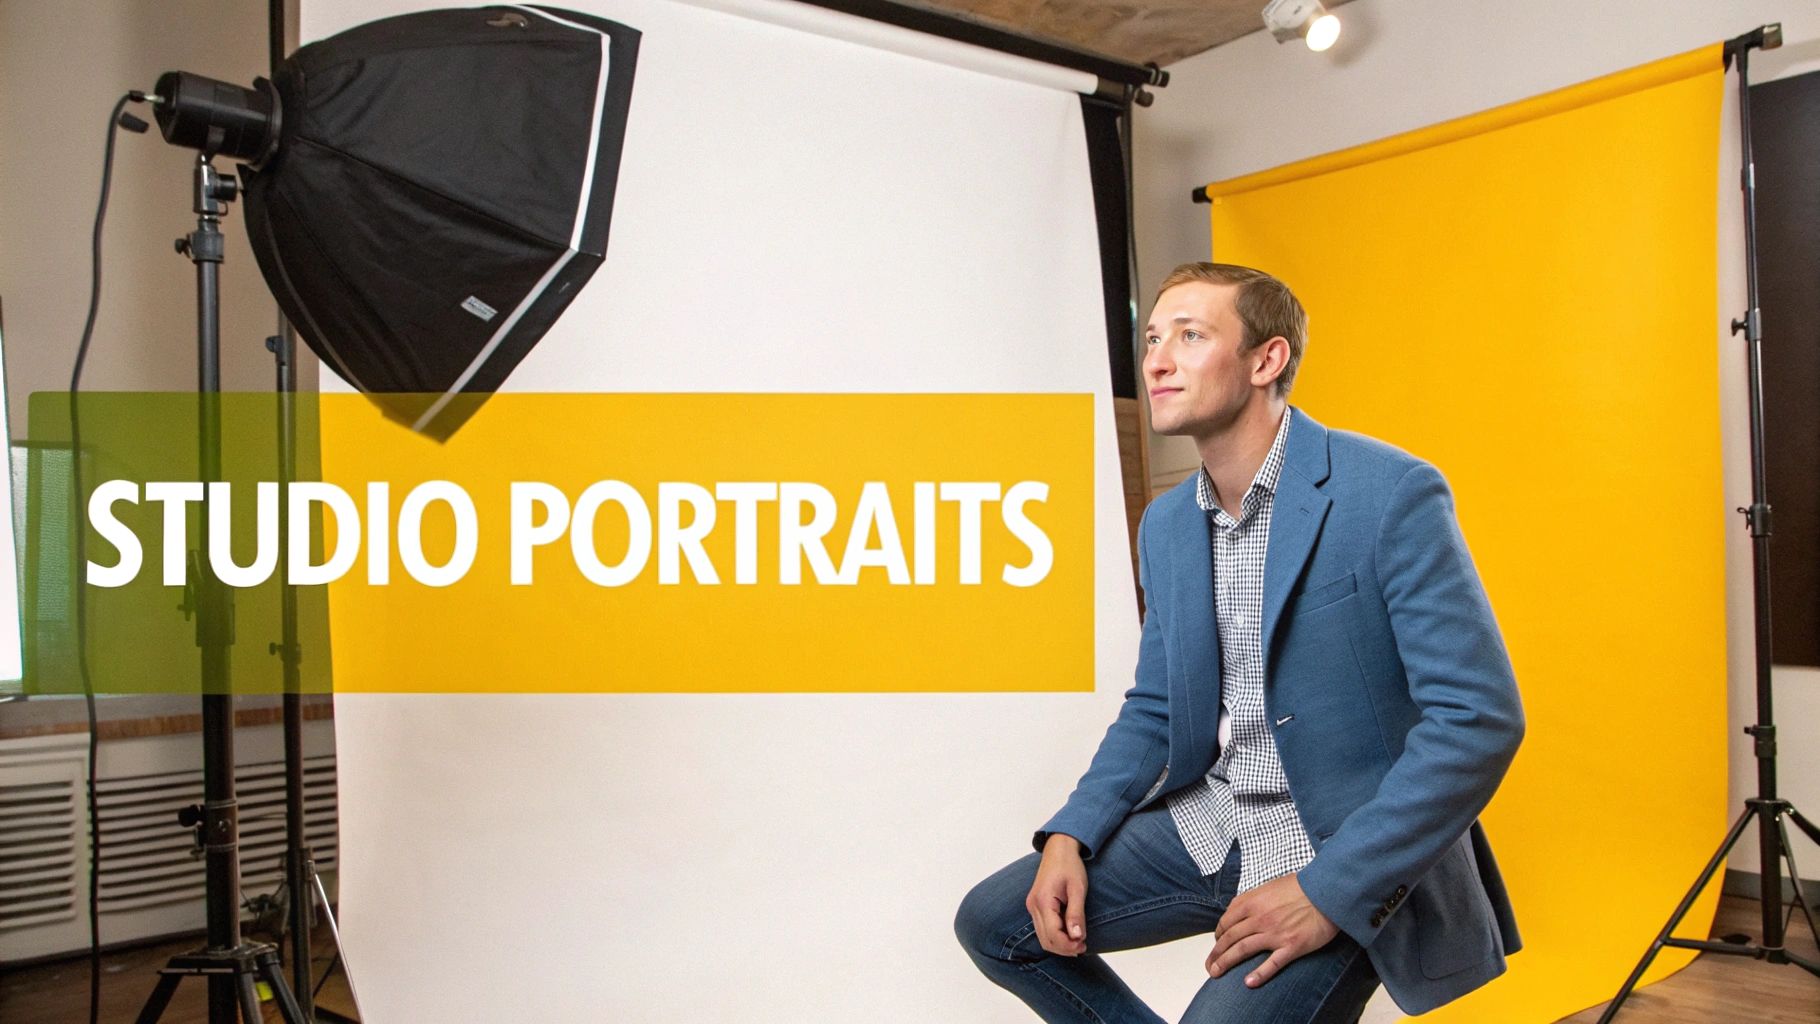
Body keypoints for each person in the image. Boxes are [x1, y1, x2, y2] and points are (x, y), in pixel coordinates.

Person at [954, 262, 1525, 1023]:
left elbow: (1477, 720)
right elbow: (1156, 706)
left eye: (1190, 336)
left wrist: (1329, 891)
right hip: (1215, 822)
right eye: (1153, 337)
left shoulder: (1389, 493)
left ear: (1266, 359)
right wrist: (1071, 831)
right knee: (996, 924)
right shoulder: (1166, 524)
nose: (1156, 359)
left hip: (1338, 846)